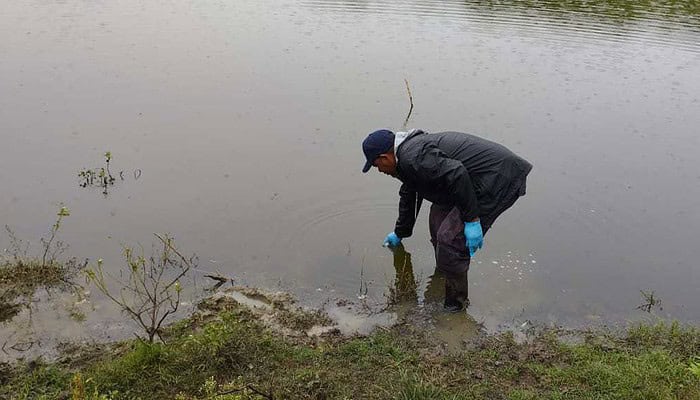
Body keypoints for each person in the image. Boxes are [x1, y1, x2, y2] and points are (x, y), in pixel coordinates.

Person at [361, 129, 532, 312]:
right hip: (469, 180)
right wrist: (400, 232)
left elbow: (457, 173)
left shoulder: (412, 157)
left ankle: (454, 308)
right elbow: (410, 192)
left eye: (376, 165)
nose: (379, 170)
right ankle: (443, 276)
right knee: (437, 223)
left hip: (497, 177)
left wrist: (472, 220)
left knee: (450, 239)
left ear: (385, 157)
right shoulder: (407, 158)